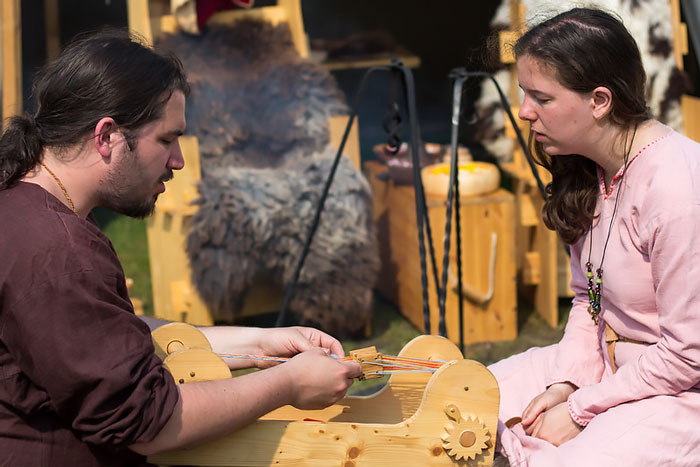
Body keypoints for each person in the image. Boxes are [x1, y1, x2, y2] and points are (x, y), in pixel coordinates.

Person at [0, 30, 361, 466]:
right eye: (167, 139)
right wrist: (288, 384)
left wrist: (259, 343)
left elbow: (106, 333)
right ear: (107, 136)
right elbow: (150, 421)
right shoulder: (58, 254)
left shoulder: (23, 205)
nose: (178, 161)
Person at [488, 7, 700, 466]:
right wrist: (567, 381)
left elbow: (688, 357)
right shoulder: (591, 171)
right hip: (610, 366)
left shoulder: (677, 188)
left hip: (681, 394)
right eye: (525, 94)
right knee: (468, 401)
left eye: (541, 98)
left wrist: (581, 408)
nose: (524, 112)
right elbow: (591, 299)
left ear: (599, 100)